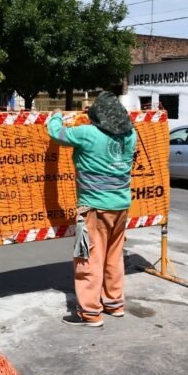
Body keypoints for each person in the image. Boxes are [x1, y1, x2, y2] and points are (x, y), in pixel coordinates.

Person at [47, 90, 137, 327]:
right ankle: (114, 303)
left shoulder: (87, 133)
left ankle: (89, 313)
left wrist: (56, 115)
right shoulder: (131, 136)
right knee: (114, 256)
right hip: (121, 206)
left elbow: (56, 133)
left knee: (88, 258)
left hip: (94, 208)